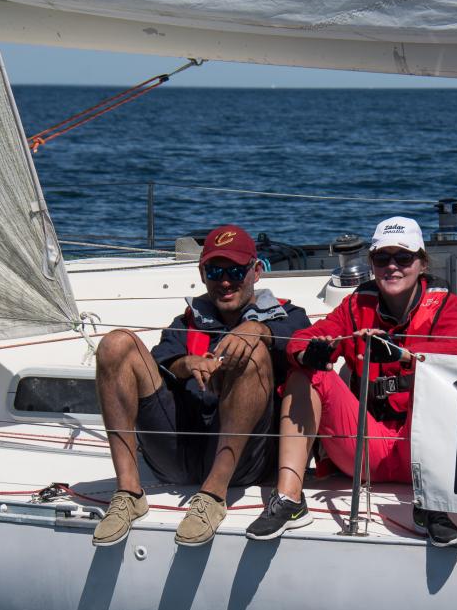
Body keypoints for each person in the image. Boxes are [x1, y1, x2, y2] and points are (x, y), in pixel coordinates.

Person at [246, 216, 457, 547]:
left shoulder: (447, 308)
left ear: (422, 264)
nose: (392, 267)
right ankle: (288, 499)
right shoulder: (356, 306)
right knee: (306, 374)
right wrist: (309, 352)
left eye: (404, 258)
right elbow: (304, 338)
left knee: (440, 383)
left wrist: (401, 354)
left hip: (422, 449)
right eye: (382, 258)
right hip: (365, 447)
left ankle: (434, 506)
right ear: (371, 263)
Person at [92, 224, 310, 548]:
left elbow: (307, 346)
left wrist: (258, 330)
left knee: (252, 353)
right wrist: (187, 363)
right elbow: (160, 360)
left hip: (243, 460)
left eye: (236, 271)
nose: (225, 282)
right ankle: (128, 493)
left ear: (256, 272)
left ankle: (213, 496)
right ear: (202, 273)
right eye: (215, 272)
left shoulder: (289, 316)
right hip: (181, 450)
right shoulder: (187, 321)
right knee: (115, 343)